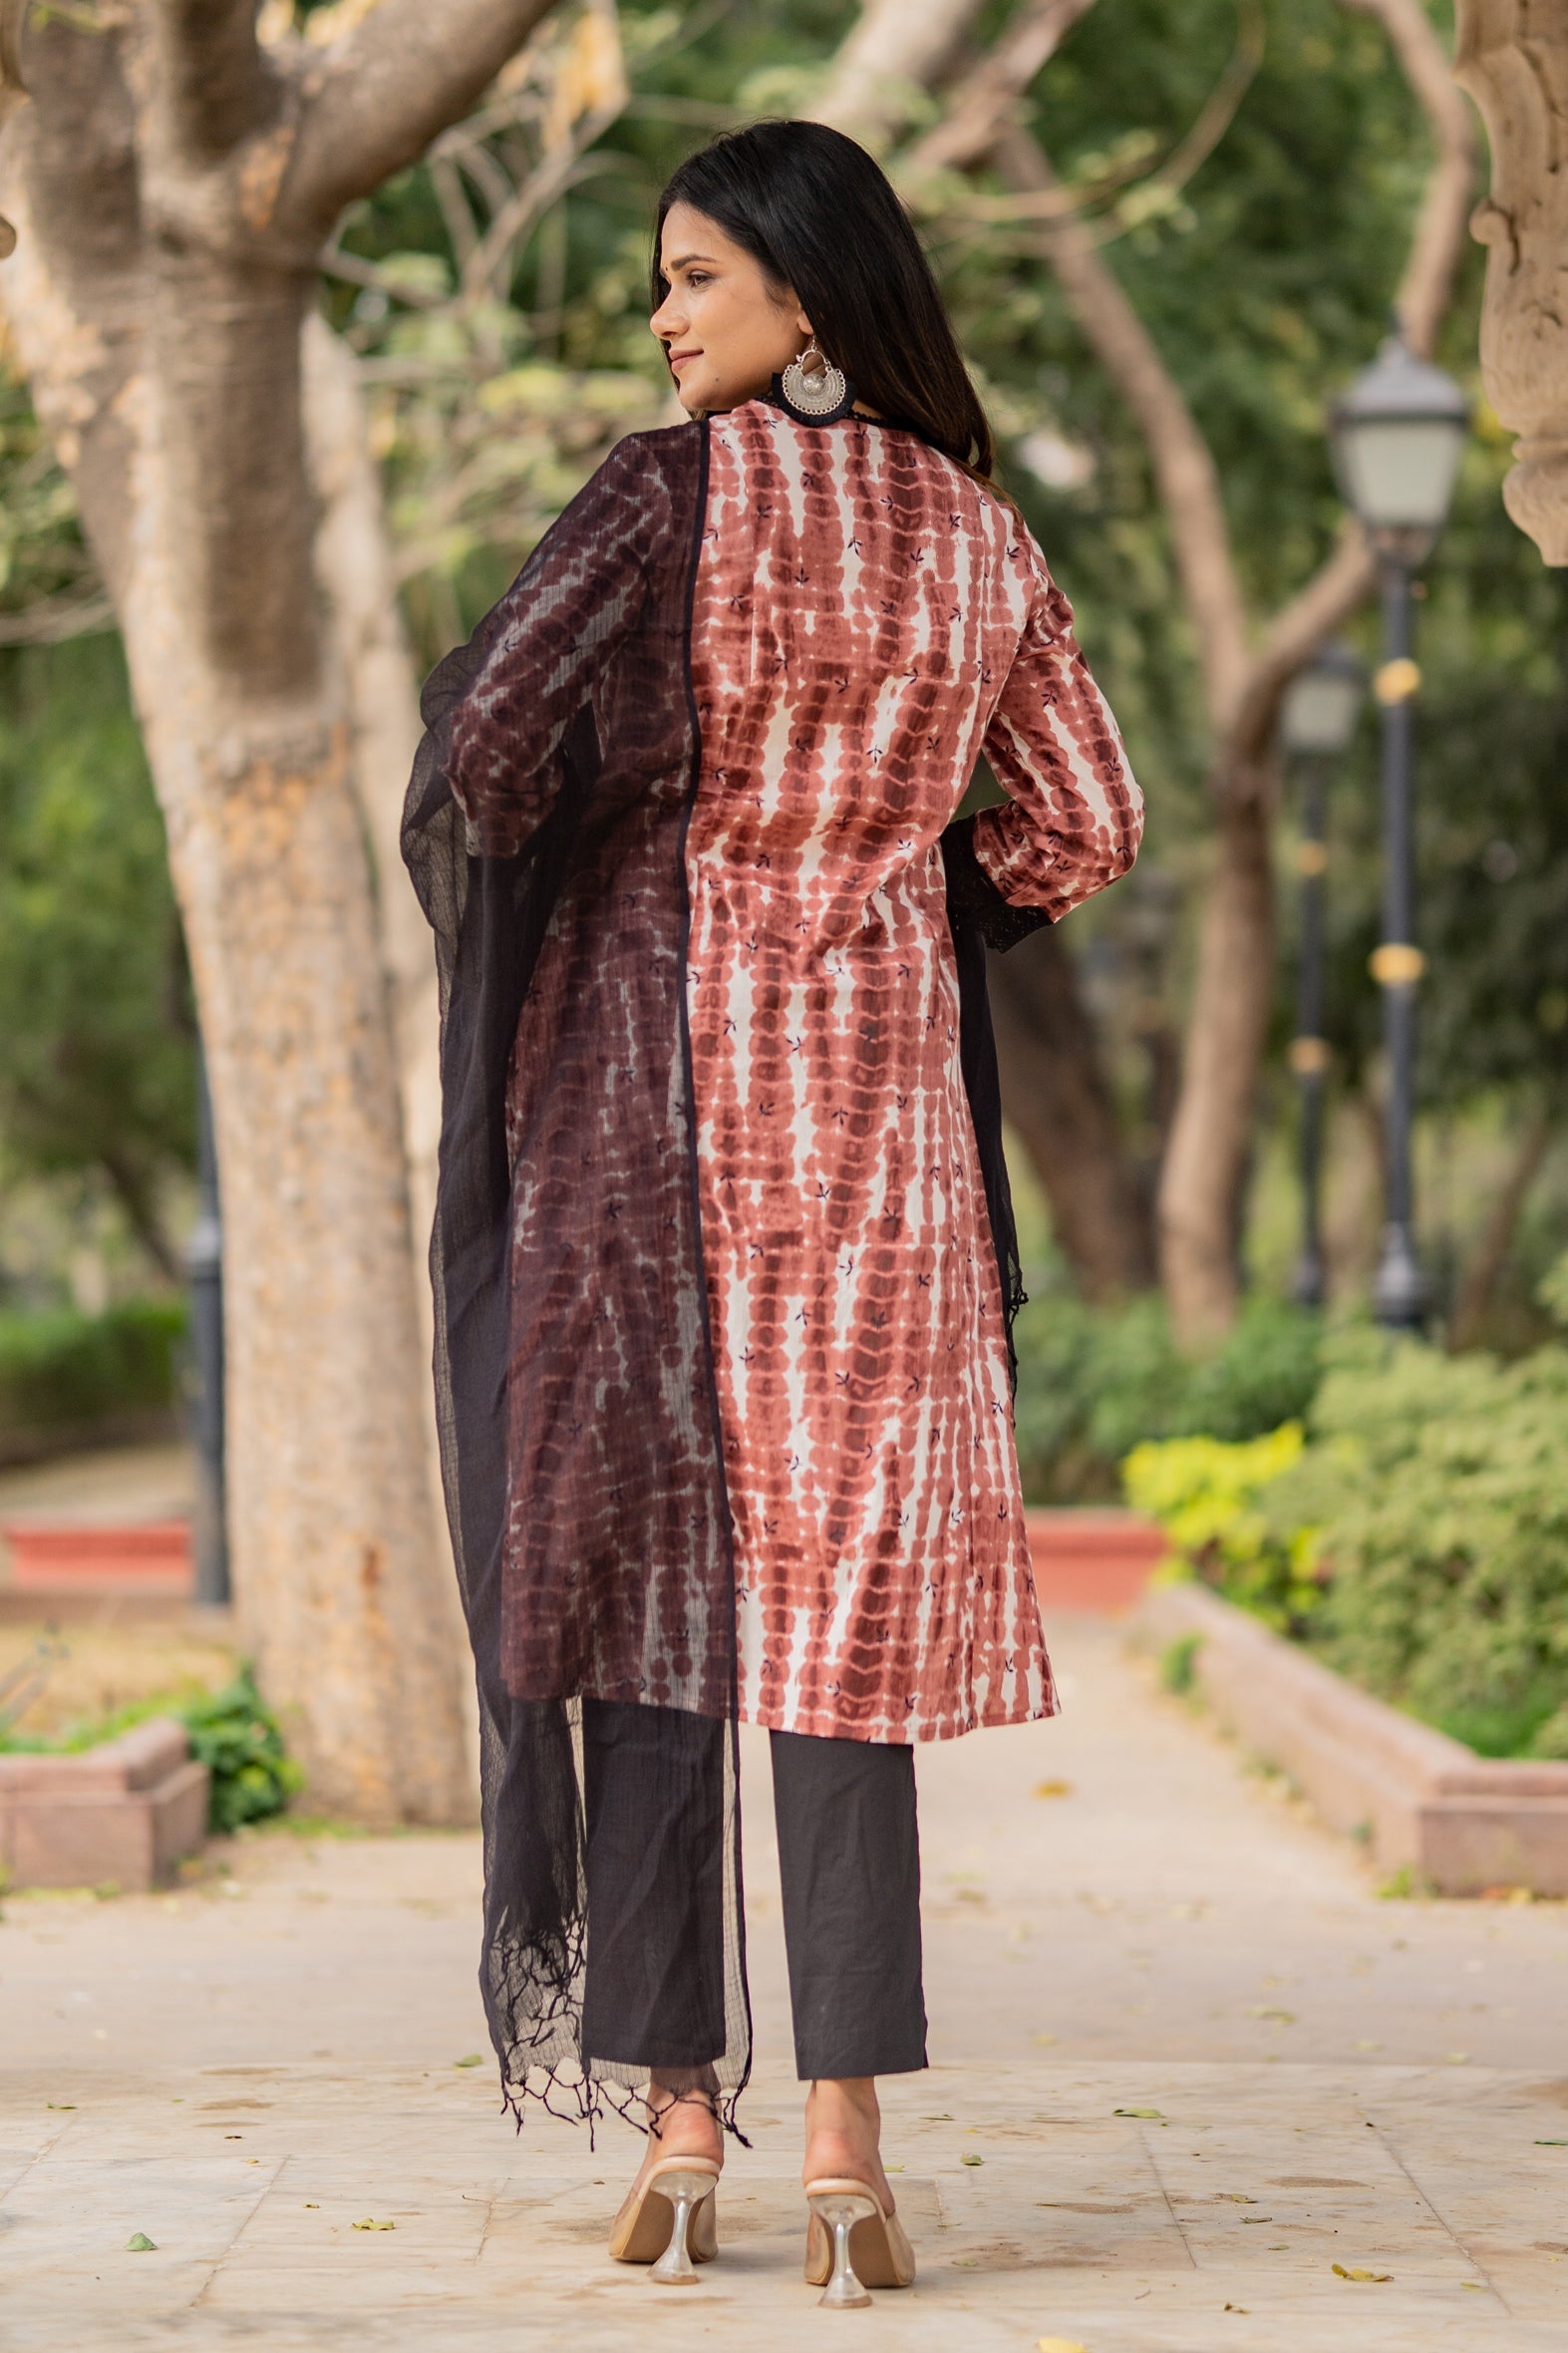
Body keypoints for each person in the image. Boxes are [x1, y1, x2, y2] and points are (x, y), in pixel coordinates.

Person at [402, 117, 1141, 2308]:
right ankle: (848, 2145)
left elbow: (481, 754)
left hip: (660, 1140)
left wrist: (617, 868)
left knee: (651, 1613)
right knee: (834, 1643)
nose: (664, 313)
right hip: (881, 1160)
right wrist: (901, 901)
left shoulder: (658, 495)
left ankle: (677, 2117)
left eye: (696, 276)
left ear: (806, 295)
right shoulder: (978, 537)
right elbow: (1084, 821)